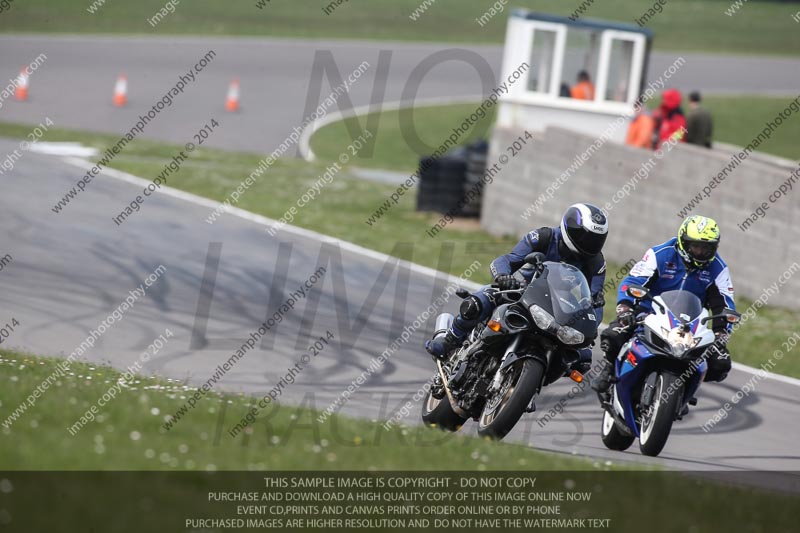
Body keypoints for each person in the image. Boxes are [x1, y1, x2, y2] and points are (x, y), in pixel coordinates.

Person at [426, 203, 609, 367]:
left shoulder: (596, 263)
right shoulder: (543, 237)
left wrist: (590, 327)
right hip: (521, 290)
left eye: (596, 239)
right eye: (586, 237)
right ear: (570, 227)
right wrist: (504, 277)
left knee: (582, 357)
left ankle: (528, 389)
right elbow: (506, 259)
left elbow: (595, 302)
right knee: (478, 302)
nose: (590, 244)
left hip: (558, 309)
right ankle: (450, 339)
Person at [593, 215, 735, 392]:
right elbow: (632, 282)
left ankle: (684, 390)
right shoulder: (660, 254)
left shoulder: (718, 268)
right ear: (683, 241)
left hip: (690, 325)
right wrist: (625, 308)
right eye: (695, 246)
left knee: (720, 364)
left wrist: (721, 332)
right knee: (614, 336)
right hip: (649, 313)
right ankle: (608, 368)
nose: (700, 252)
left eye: (706, 248)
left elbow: (724, 304)